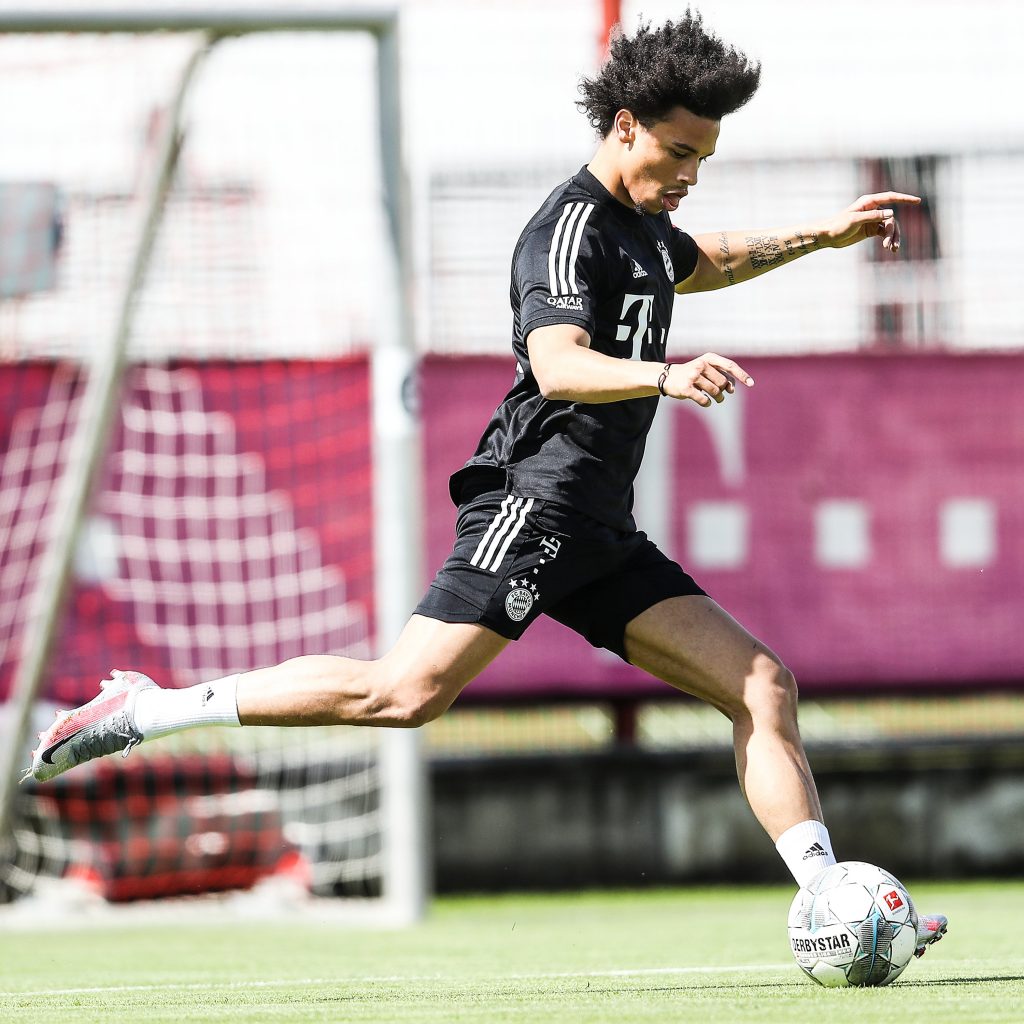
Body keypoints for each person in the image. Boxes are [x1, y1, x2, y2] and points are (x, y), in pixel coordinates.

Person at [26, 10, 945, 954]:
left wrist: (822, 235)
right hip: (532, 503)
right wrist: (666, 375)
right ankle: (143, 709)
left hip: (598, 530)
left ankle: (834, 905)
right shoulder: (567, 227)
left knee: (761, 686)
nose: (690, 175)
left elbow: (705, 260)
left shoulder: (644, 229)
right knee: (403, 695)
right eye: (678, 151)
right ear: (624, 123)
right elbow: (558, 364)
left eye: (703, 159)